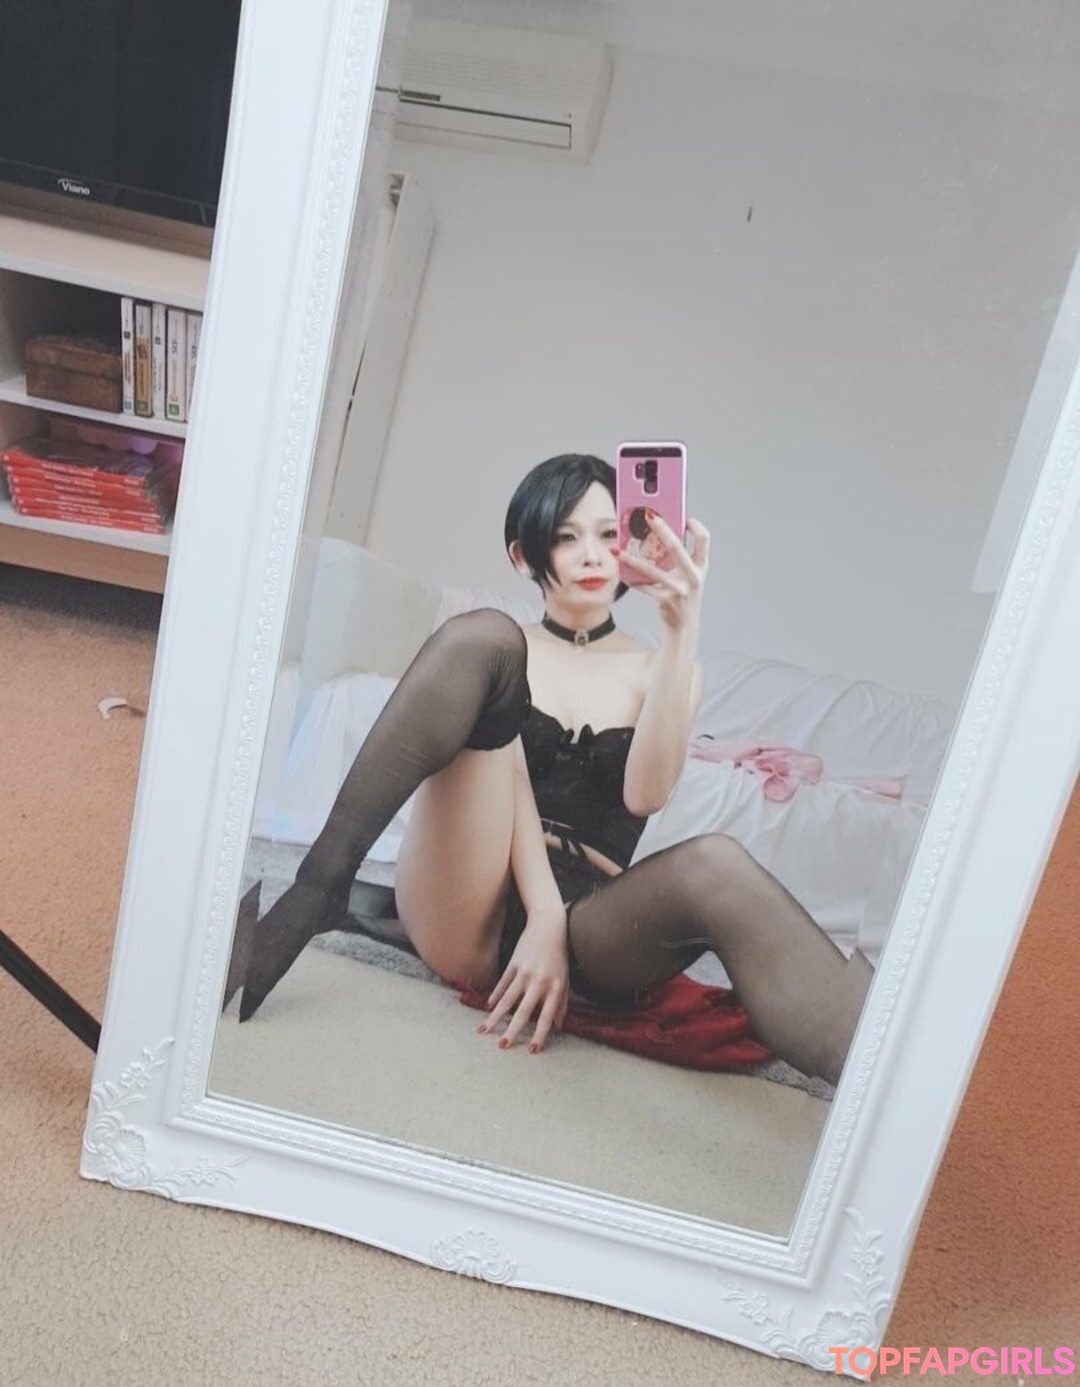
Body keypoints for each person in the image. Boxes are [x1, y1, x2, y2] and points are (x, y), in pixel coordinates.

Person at [234, 453, 872, 1084]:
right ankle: (318, 885)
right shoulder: (495, 656)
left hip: (593, 927)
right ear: (523, 556)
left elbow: (646, 795)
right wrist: (541, 913)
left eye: (608, 534)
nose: (593, 555)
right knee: (485, 638)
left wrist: (683, 630)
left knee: (717, 863)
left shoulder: (663, 668)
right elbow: (509, 779)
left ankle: (883, 1074)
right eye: (567, 538)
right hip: (469, 899)